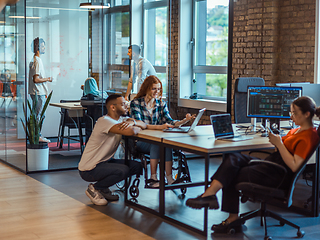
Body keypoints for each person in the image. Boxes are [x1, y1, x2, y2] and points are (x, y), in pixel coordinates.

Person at [185, 96, 320, 233]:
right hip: (271, 166)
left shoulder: (308, 136)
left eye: (294, 113)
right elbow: (283, 148)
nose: (292, 117)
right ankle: (210, 195)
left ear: (307, 114)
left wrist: (279, 144)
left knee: (232, 171)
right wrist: (277, 142)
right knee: (233, 158)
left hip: (277, 174)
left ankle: (227, 213)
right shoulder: (297, 130)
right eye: (291, 112)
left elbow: (294, 166)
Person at [78, 94, 146, 206]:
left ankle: (103, 189)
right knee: (123, 170)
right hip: (89, 169)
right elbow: (131, 131)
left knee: (136, 166)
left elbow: (143, 124)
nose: (126, 106)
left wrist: (133, 122)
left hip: (105, 162)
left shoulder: (121, 120)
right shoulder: (104, 121)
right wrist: (133, 126)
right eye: (123, 104)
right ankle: (94, 188)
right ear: (113, 107)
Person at [130, 75, 195, 188]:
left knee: (166, 143)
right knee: (158, 143)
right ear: (146, 88)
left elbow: (169, 121)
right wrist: (159, 128)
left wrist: (184, 121)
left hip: (156, 139)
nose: (157, 91)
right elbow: (140, 124)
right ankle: (153, 178)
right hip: (141, 141)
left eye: (159, 89)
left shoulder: (161, 104)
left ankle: (169, 178)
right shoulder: (136, 103)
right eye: (154, 88)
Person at [28, 37, 52, 143]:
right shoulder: (37, 61)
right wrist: (48, 79)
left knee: (37, 114)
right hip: (38, 92)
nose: (44, 48)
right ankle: (38, 136)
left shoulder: (34, 60)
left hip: (36, 92)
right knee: (39, 115)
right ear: (37, 47)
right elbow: (36, 79)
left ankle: (37, 136)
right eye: (42, 46)